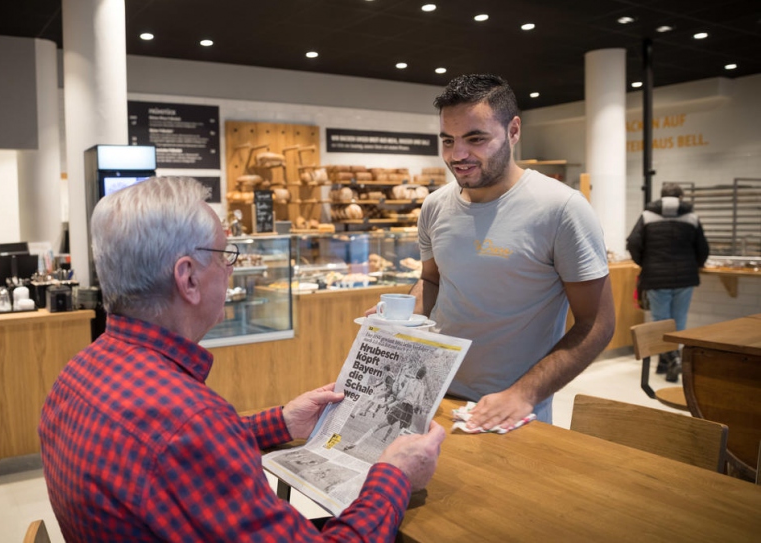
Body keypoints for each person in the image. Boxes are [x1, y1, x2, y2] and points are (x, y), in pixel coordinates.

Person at [39, 176, 446, 542]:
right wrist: (394, 477)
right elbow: (186, 444)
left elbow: (177, 457)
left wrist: (282, 422)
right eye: (223, 255)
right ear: (188, 278)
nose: (230, 269)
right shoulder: (188, 421)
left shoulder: (75, 376)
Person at [408, 74, 615, 430]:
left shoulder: (561, 208)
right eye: (448, 140)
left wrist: (524, 393)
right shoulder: (434, 206)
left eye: (476, 139)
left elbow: (596, 323)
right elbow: (431, 280)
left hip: (509, 410)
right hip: (432, 395)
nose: (457, 155)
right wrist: (398, 319)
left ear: (513, 130)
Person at [626, 183, 709, 382]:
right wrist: (695, 264)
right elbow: (703, 248)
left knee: (660, 320)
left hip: (656, 276)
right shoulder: (692, 217)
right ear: (680, 197)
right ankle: (673, 359)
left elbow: (633, 243)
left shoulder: (647, 216)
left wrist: (645, 263)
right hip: (685, 277)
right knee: (679, 320)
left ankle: (668, 361)